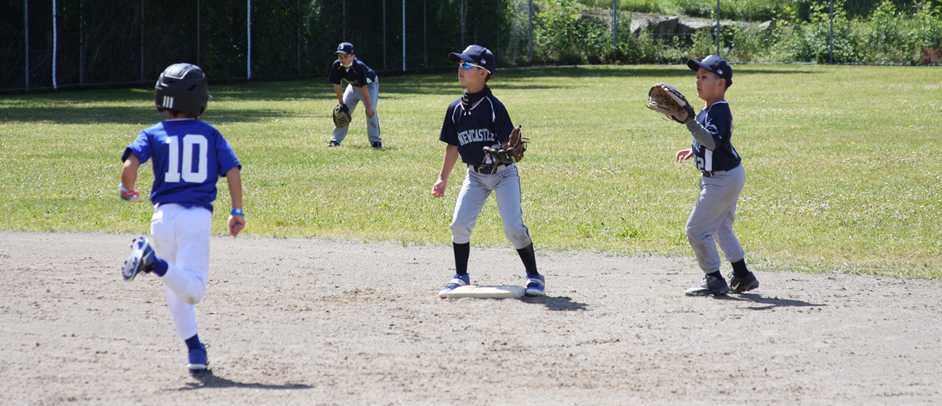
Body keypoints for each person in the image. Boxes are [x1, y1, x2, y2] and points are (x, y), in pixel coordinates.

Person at [119, 63, 245, 375]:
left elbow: (130, 163)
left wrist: (127, 190)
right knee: (193, 290)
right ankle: (151, 261)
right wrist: (236, 211)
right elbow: (232, 169)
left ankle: (195, 351)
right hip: (194, 219)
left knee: (176, 287)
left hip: (162, 219)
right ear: (198, 100)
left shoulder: (153, 133)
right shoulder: (209, 133)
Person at [430, 45, 544, 298]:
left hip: (503, 174)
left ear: (483, 73)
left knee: (513, 228)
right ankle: (460, 276)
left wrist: (504, 149)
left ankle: (534, 276)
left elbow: (508, 143)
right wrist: (442, 179)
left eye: (467, 65)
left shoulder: (493, 106)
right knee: (459, 224)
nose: (461, 68)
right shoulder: (454, 109)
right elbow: (452, 146)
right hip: (475, 176)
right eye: (460, 64)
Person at [674, 55, 759, 296]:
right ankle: (742, 275)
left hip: (721, 180)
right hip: (727, 175)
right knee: (722, 227)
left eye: (704, 77)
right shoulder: (710, 107)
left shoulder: (719, 110)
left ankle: (713, 278)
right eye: (697, 77)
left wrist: (689, 122)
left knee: (696, 230)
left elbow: (711, 140)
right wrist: (693, 149)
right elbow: (714, 142)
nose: (697, 82)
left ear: (720, 83)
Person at [327, 42, 382, 149]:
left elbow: (364, 88)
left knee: (371, 113)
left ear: (353, 56)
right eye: (340, 56)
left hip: (369, 86)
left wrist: (369, 106)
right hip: (353, 86)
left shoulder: (359, 67)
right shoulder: (337, 65)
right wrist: (341, 102)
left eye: (346, 56)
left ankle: (375, 141)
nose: (342, 59)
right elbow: (337, 84)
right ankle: (335, 141)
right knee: (342, 113)